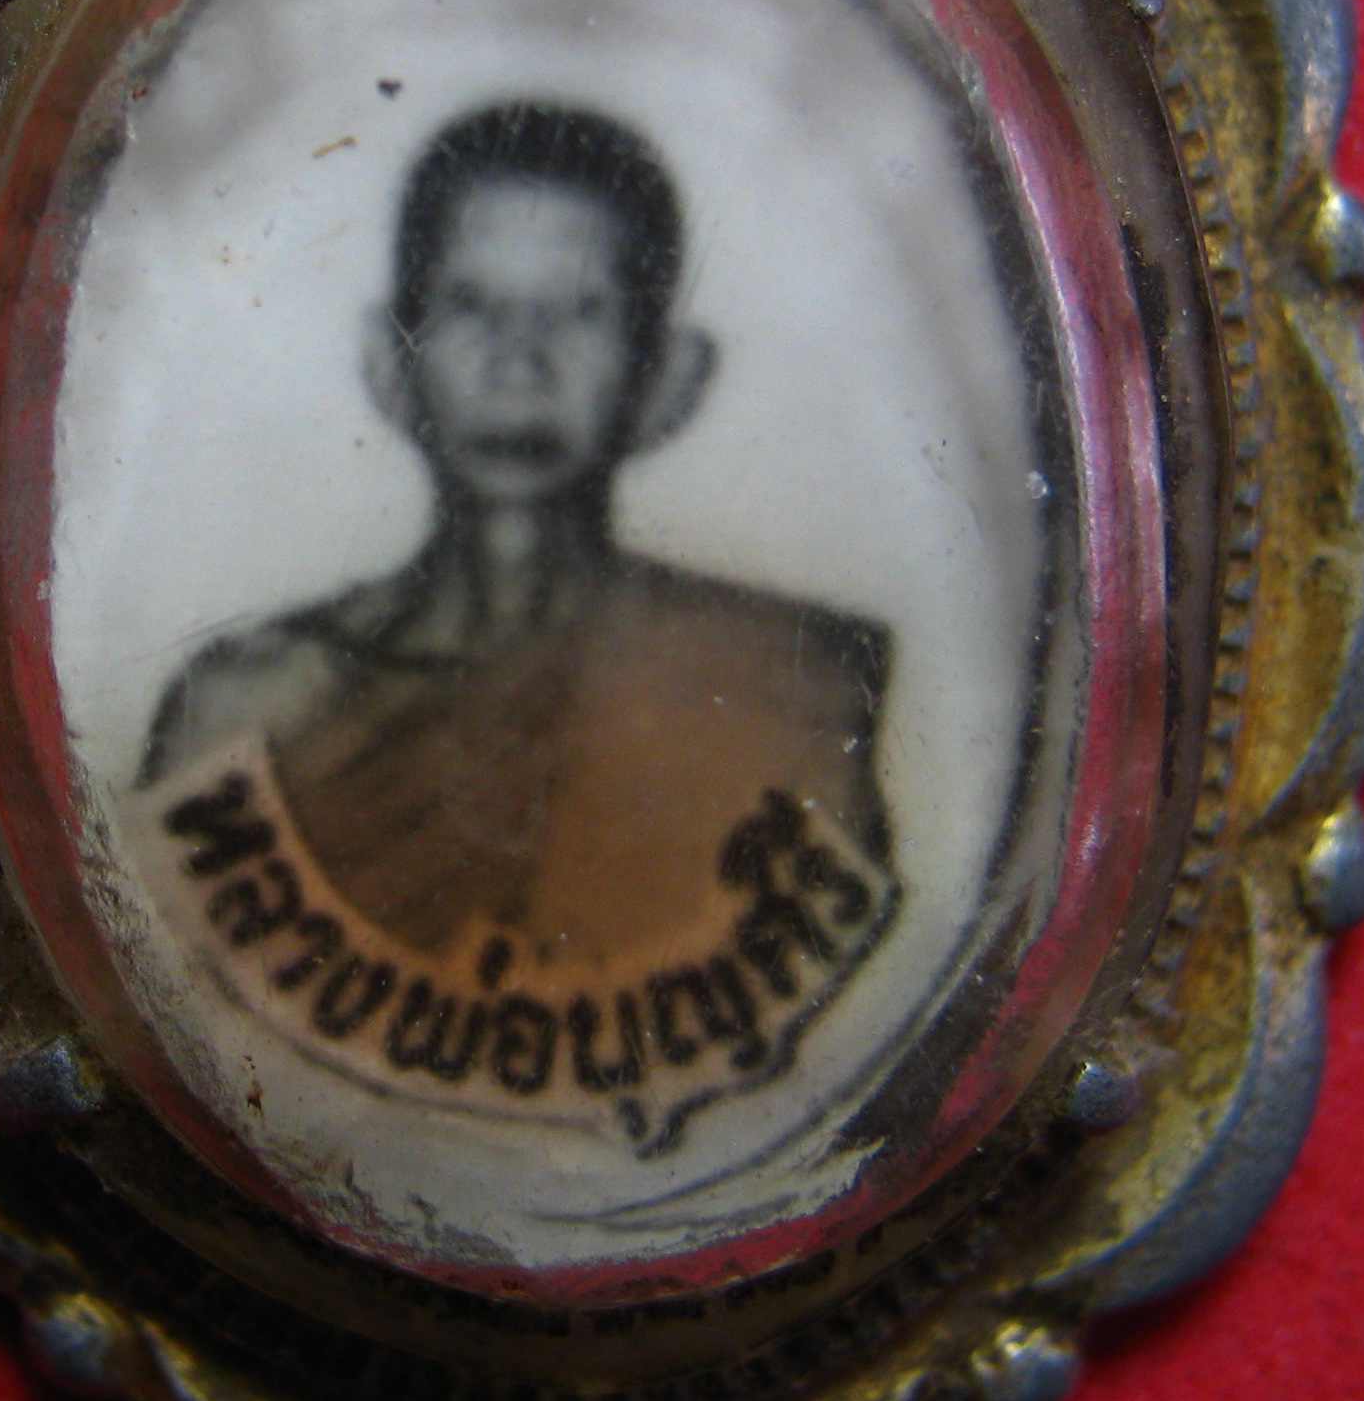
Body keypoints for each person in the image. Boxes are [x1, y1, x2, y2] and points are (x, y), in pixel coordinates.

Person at [144, 100, 891, 977]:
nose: (520, 362)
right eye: (470, 305)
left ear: (664, 377)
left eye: (579, 311)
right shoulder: (247, 708)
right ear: (392, 363)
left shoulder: (788, 684)